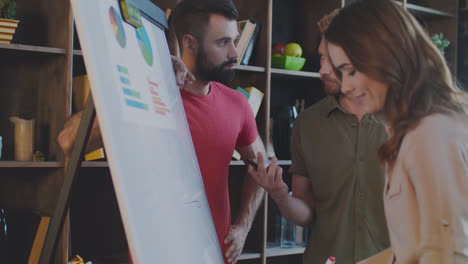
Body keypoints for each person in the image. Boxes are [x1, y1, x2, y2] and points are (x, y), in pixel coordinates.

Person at [58, 1, 272, 263]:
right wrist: (146, 77)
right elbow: (68, 140)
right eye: (222, 42)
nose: (234, 53)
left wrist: (243, 227)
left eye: (234, 41)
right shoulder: (148, 95)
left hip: (216, 255)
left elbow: (262, 167)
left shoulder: (237, 104)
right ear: (190, 44)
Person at [324, 0, 468, 263]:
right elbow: (410, 251)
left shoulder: (430, 134)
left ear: (385, 56)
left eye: (351, 71)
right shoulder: (412, 131)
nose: (345, 86)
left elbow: (448, 256)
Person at [248, 9, 389, 264]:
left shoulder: (403, 122)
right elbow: (306, 212)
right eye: (321, 58)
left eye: (330, 59)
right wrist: (280, 194)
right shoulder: (308, 124)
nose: (322, 69)